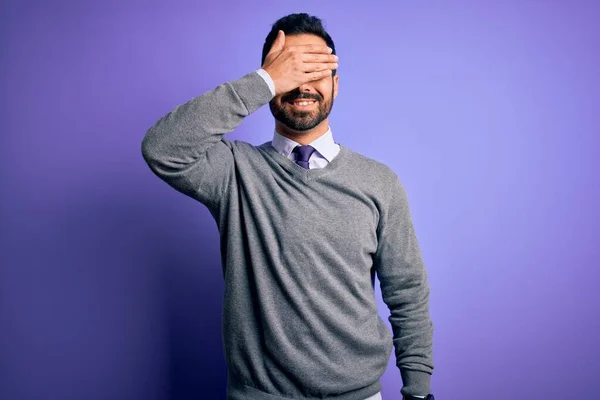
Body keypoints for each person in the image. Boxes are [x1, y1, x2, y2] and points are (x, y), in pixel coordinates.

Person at [141, 13, 434, 400]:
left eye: (315, 70)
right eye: (292, 70)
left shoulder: (380, 182)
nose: (303, 85)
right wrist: (263, 82)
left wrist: (418, 391)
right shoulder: (233, 172)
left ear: (336, 84)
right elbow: (161, 148)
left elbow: (407, 291)